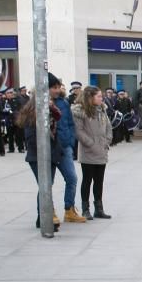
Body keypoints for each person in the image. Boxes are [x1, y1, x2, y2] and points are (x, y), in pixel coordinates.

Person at [16, 92, 63, 231]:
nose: (50, 101)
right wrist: (44, 148)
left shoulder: (51, 113)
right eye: (46, 99)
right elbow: (31, 139)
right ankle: (44, 217)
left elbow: (58, 118)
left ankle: (42, 217)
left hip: (52, 155)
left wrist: (53, 109)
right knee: (45, 186)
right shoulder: (32, 116)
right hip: (37, 157)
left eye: (50, 99)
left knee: (47, 185)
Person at [49, 75, 87, 224]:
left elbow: (71, 123)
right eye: (54, 87)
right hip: (49, 149)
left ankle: (69, 210)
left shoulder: (63, 103)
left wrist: (70, 141)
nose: (58, 90)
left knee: (72, 178)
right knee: (47, 183)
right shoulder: (39, 103)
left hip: (64, 147)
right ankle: (48, 211)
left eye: (59, 87)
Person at [71, 86, 113, 220]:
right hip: (88, 151)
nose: (102, 98)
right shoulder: (80, 111)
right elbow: (79, 131)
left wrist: (107, 141)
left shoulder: (102, 110)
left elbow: (108, 127)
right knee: (87, 180)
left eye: (102, 96)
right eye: (99, 96)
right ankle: (85, 209)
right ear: (90, 97)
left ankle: (99, 208)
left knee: (99, 181)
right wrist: (91, 144)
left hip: (101, 150)